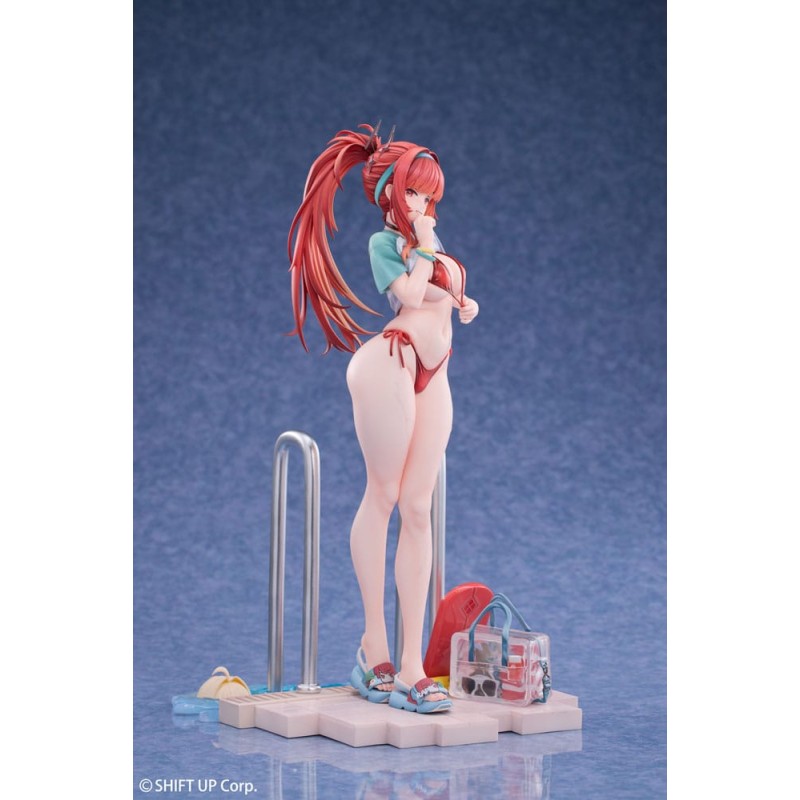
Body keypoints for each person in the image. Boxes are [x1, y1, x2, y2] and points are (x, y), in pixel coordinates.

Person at [288, 124, 479, 713]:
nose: (423, 204)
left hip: (436, 371)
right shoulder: (385, 244)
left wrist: (466, 303)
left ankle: (412, 663)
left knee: (418, 506)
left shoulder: (429, 242)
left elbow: (451, 297)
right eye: (413, 193)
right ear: (392, 194)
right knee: (385, 494)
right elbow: (412, 297)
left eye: (429, 195)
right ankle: (376, 648)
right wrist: (424, 246)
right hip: (392, 362)